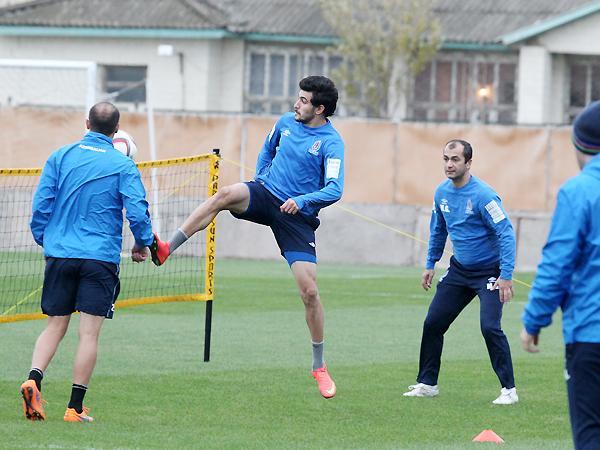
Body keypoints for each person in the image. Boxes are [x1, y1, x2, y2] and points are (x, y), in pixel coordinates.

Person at [150, 75, 344, 398]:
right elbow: (268, 149)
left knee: (310, 292)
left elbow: (335, 189)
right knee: (225, 194)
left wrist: (302, 201)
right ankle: (168, 247)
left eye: (303, 100)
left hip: (296, 217)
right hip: (266, 193)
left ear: (320, 108)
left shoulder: (331, 143)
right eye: (298, 98)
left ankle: (319, 366)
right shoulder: (285, 122)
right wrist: (260, 178)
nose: (296, 104)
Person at [21, 102, 155, 423]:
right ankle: (74, 408)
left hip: (60, 253)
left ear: (86, 123)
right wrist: (142, 243)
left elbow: (41, 205)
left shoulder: (60, 156)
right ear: (116, 130)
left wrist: (46, 240)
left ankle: (33, 380)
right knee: (89, 334)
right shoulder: (123, 165)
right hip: (99, 258)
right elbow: (137, 212)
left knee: (55, 325)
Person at [403, 139, 518, 405]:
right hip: (459, 271)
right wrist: (430, 264)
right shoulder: (441, 193)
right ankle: (427, 384)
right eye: (446, 159)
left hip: (489, 272)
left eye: (455, 159)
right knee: (433, 323)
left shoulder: (484, 196)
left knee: (490, 327)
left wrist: (506, 275)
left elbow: (506, 233)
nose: (449, 164)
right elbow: (438, 230)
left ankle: (509, 390)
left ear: (468, 163)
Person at [521, 101, 600, 449]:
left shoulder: (579, 191)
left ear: (579, 145)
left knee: (591, 431)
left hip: (592, 333)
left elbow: (558, 264)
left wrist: (533, 320)